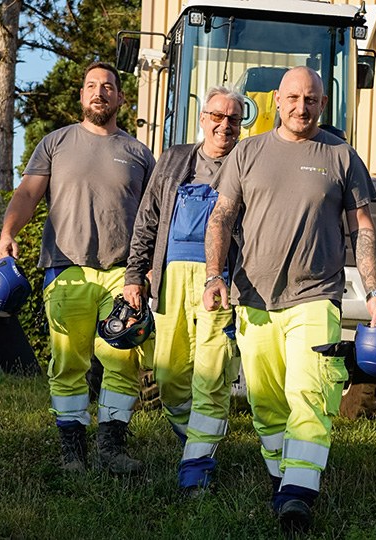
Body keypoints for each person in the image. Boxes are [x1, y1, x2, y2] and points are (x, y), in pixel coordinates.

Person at [203, 66, 376, 532]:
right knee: (266, 402)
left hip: (316, 295)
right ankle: (280, 476)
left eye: (310, 99)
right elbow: (222, 218)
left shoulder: (342, 156)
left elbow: (362, 229)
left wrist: (373, 291)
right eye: (292, 98)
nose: (301, 107)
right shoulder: (247, 153)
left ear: (322, 104)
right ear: (277, 101)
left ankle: (299, 496)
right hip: (254, 298)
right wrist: (214, 275)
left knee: (310, 392)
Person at [0, 62, 155, 475]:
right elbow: (28, 194)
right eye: (91, 86)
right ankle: (72, 451)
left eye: (108, 86)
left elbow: (154, 218)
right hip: (67, 270)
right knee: (69, 363)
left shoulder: (139, 153)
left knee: (122, 360)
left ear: (121, 98)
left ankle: (112, 447)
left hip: (123, 272)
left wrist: (150, 268)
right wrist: (8, 232)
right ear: (81, 97)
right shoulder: (55, 143)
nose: (99, 92)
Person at [124, 86, 244, 493]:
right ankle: (197, 436)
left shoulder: (247, 162)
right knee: (169, 372)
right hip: (170, 278)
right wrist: (134, 275)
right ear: (202, 117)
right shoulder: (175, 159)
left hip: (221, 282)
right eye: (217, 116)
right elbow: (148, 219)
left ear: (241, 125)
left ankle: (197, 470)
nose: (223, 125)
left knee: (212, 373)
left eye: (233, 119)